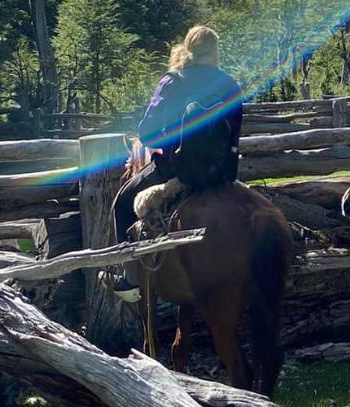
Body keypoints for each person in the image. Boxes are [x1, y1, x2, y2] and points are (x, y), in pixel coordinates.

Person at [99, 25, 244, 295]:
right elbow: (234, 135)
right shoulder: (230, 85)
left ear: (189, 50)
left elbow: (147, 133)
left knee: (121, 205)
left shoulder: (173, 80)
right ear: (215, 51)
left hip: (175, 171)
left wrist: (173, 148)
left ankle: (130, 280)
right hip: (223, 173)